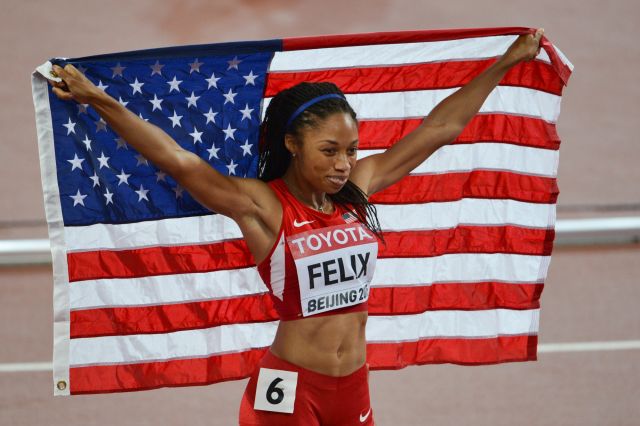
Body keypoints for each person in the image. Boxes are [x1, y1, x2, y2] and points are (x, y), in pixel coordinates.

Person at [49, 28, 544, 425]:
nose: (345, 164)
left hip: (353, 385)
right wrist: (98, 100)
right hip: (290, 391)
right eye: (329, 151)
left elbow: (438, 130)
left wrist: (504, 62)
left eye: (350, 150)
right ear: (292, 145)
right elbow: (178, 161)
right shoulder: (263, 206)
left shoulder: (358, 192)